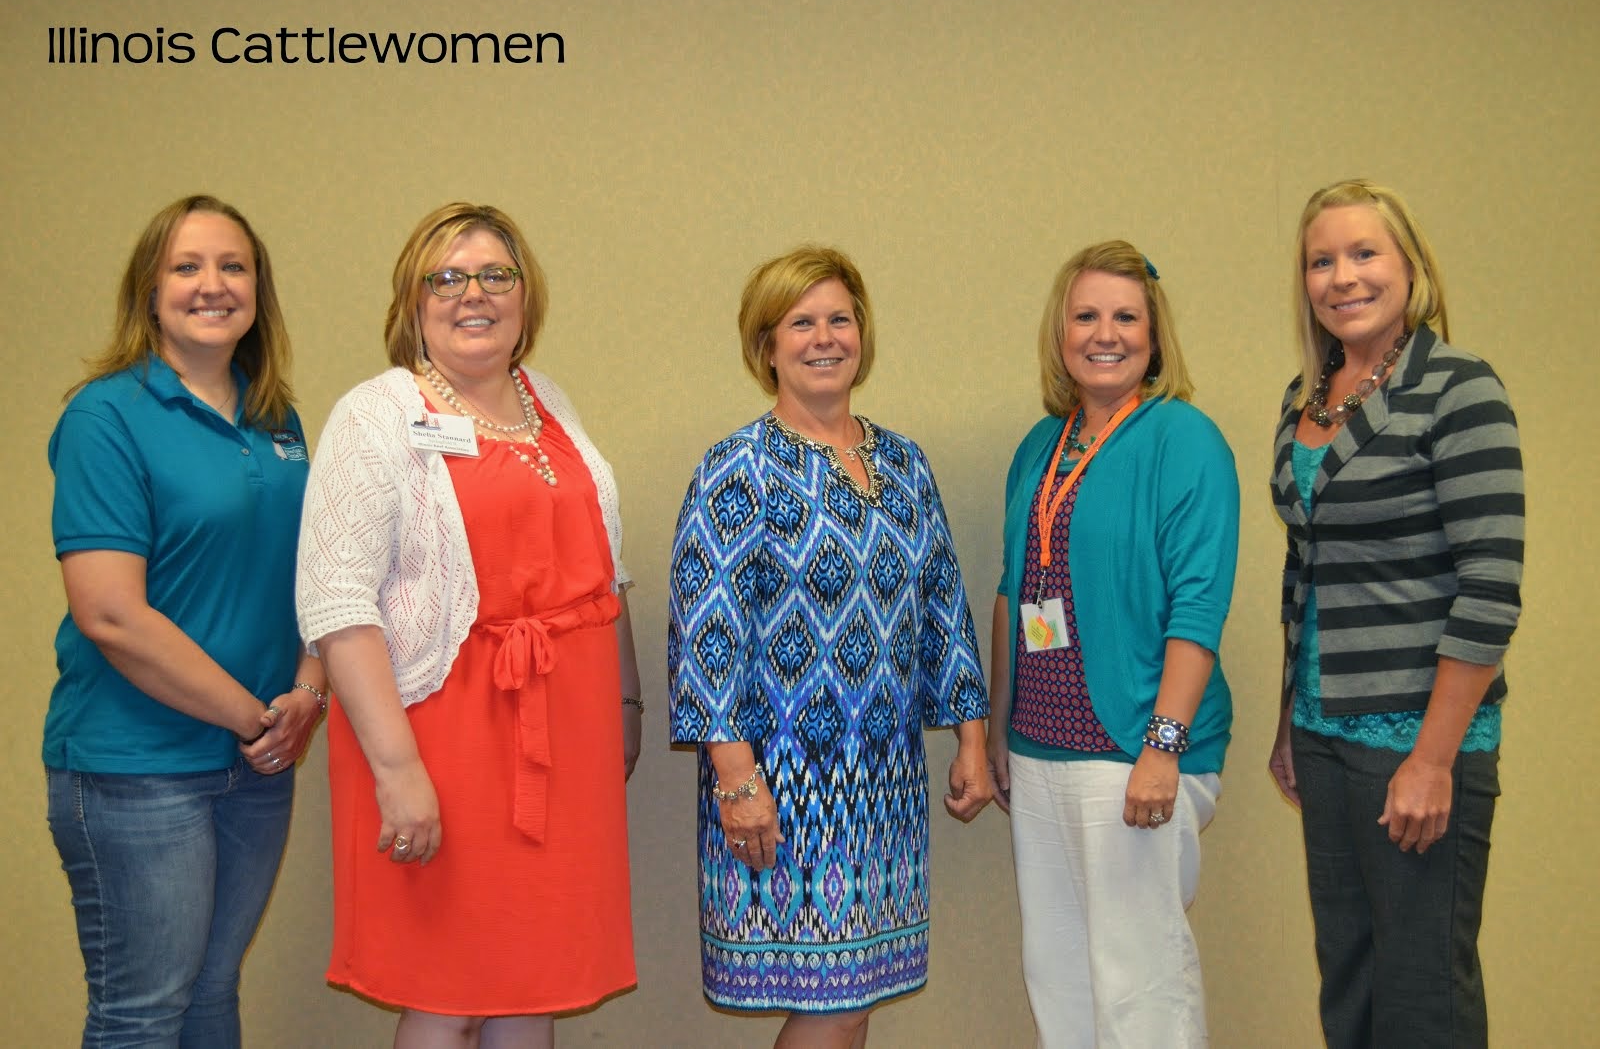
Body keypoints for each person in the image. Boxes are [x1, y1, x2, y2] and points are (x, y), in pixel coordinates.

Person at [296, 203, 641, 1047]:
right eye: (446, 278)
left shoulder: (545, 399)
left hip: (561, 743)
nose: (472, 294)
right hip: (440, 739)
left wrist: (624, 710)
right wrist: (399, 769)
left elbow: (606, 571)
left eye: (495, 275)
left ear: (527, 296)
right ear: (412, 301)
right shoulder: (376, 414)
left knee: (534, 981)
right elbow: (337, 605)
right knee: (447, 987)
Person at [666, 245, 991, 1047]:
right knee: (831, 1001)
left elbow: (944, 606)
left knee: (854, 1000)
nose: (823, 337)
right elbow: (705, 637)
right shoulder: (737, 468)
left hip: (886, 783)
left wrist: (973, 743)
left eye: (839, 318)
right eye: (799, 322)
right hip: (783, 787)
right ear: (767, 344)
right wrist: (738, 782)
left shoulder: (904, 462)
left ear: (862, 334)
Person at [45, 193, 322, 1047]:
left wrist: (309, 692)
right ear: (149, 289)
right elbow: (109, 613)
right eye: (187, 266)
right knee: (143, 1012)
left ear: (258, 291)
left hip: (258, 764)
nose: (213, 284)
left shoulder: (278, 417)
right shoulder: (107, 415)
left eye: (233, 266)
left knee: (209, 997)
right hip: (138, 767)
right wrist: (256, 715)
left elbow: (320, 575)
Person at [1267, 179, 1523, 1048]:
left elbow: (1490, 586)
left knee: (1421, 997)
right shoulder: (1305, 401)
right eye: (1321, 260)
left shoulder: (1458, 389)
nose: (1343, 277)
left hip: (1417, 740)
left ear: (1410, 267)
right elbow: (1306, 576)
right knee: (1350, 977)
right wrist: (1285, 722)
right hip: (1322, 732)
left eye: (1364, 253)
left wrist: (1433, 759)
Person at [986, 240, 1238, 1047]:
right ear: (1061, 333)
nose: (1107, 333)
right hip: (1039, 749)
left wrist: (1163, 744)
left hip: (1133, 748)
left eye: (1127, 317)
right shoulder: (1040, 445)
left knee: (1140, 983)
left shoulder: (1184, 439)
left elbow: (1199, 605)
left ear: (1154, 336)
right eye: (1086, 315)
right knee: (1058, 975)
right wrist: (997, 729)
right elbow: (1012, 590)